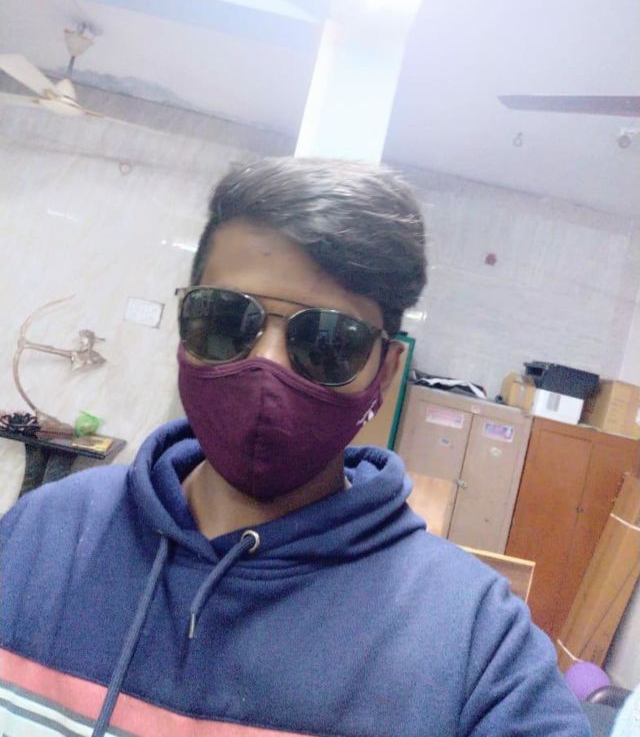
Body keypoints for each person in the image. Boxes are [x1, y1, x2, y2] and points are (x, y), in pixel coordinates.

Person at [0, 157, 589, 736]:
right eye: (226, 319)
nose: (268, 362)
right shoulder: (40, 532)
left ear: (385, 370)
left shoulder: (474, 640)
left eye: (328, 340)